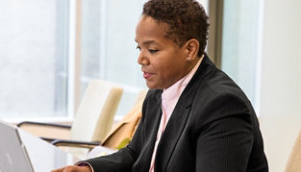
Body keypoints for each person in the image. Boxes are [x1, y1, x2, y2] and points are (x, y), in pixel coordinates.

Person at [52, 0, 268, 171]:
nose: (141, 59)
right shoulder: (158, 92)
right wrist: (89, 169)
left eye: (153, 50)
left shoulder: (222, 104)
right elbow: (136, 154)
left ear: (190, 50)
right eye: (139, 49)